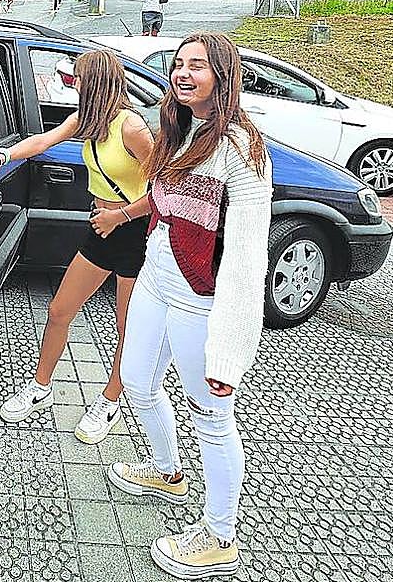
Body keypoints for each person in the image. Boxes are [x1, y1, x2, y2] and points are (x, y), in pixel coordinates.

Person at [107, 32, 272, 579]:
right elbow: (161, 198)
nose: (182, 74)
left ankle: (221, 537)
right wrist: (125, 218)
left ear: (223, 78)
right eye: (178, 64)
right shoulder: (179, 131)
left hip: (198, 299)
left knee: (214, 417)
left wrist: (228, 352)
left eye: (197, 67)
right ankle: (167, 471)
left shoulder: (242, 148)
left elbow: (248, 257)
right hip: (156, 283)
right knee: (136, 381)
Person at [0, 50, 154, 444]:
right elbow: (40, 142)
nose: (74, 83)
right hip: (100, 230)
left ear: (97, 82)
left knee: (128, 327)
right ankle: (40, 387)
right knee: (59, 310)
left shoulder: (133, 128)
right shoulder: (86, 120)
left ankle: (109, 400)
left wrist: (118, 216)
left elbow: (166, 192)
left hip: (134, 233)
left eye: (80, 78)